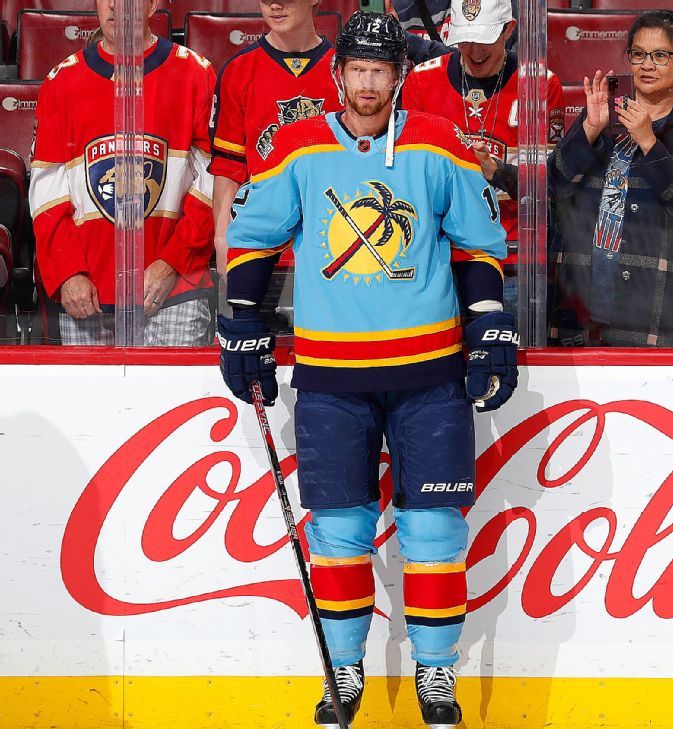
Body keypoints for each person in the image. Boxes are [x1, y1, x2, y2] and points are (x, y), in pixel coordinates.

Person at [216, 12, 515, 728]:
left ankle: (436, 676)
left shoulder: (438, 142)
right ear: (338, 73)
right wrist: (242, 323)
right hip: (331, 375)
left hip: (429, 373)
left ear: (400, 76)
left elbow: (478, 244)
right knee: (340, 530)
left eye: (383, 70)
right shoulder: (296, 147)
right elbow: (253, 238)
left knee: (436, 530)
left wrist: (491, 325)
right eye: (358, 69)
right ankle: (344, 668)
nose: (369, 83)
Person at [30, 0, 216, 346]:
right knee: (89, 402)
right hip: (88, 296)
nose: (116, 7)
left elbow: (212, 183)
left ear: (151, 4)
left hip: (174, 289)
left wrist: (172, 264)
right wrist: (69, 272)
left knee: (174, 400)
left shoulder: (196, 74)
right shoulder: (62, 81)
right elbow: (46, 192)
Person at [548, 10, 673, 346]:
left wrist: (649, 142)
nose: (646, 65)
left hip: (650, 300)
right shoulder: (602, 115)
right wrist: (588, 130)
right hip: (578, 293)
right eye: (638, 54)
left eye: (660, 56)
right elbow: (555, 183)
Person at [402, 0, 564, 318]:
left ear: (509, 30)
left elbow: (550, 186)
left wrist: (496, 171)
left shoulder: (542, 84)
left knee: (505, 360)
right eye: (466, 39)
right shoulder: (421, 81)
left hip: (513, 255)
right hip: (440, 255)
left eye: (485, 39)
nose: (474, 51)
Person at [209, 0, 341, 329]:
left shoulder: (346, 70)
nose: (275, 5)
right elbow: (229, 167)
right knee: (253, 354)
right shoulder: (238, 70)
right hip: (260, 245)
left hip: (334, 238)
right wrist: (223, 240)